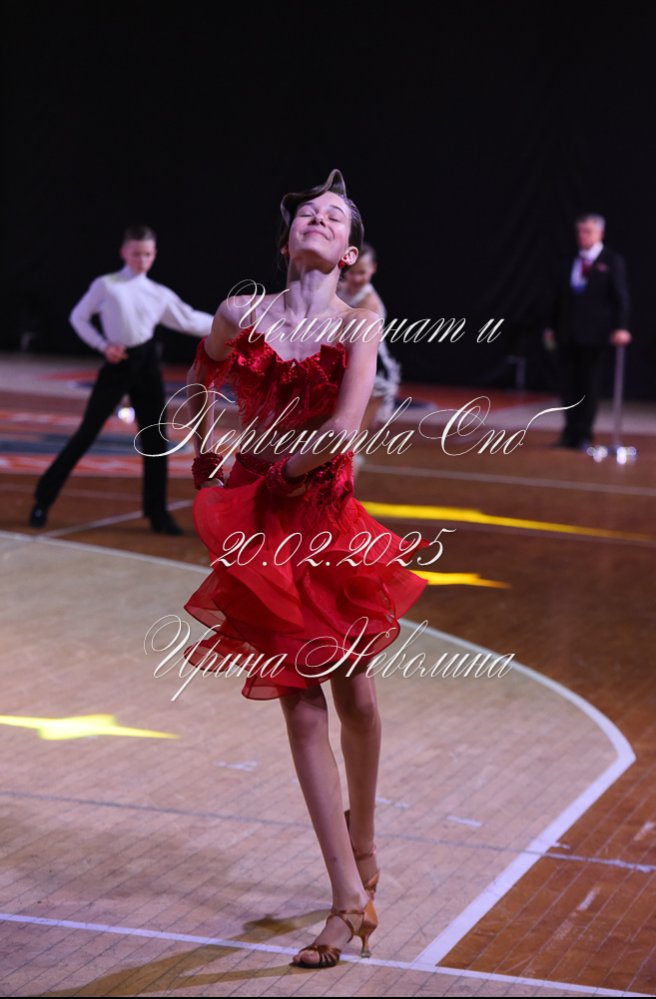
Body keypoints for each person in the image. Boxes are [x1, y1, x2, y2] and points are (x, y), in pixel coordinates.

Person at [183, 169, 429, 968]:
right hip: (264, 527)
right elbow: (201, 374)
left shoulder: (359, 324)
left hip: (324, 517)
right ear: (287, 240)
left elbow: (345, 427)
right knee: (299, 705)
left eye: (335, 217)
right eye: (309, 213)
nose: (319, 219)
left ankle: (365, 842)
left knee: (356, 695)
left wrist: (282, 472)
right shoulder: (240, 312)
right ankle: (346, 897)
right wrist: (205, 441)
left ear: (349, 250)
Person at [29, 224, 214, 534]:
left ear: (154, 255)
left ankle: (157, 514)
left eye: (148, 254)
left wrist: (232, 321)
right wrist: (103, 345)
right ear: (124, 253)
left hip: (147, 365)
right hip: (118, 365)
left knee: (155, 440)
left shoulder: (158, 294)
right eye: (137, 253)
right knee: (86, 433)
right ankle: (42, 501)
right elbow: (78, 317)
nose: (142, 260)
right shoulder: (107, 285)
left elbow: (190, 319)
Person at [544, 213, 632, 450]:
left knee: (589, 385)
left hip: (595, 336)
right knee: (568, 385)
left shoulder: (611, 261)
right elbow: (558, 298)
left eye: (588, 231)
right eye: (580, 232)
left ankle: (584, 432)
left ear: (600, 234)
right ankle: (569, 432)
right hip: (568, 333)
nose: (582, 236)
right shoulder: (569, 261)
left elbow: (620, 297)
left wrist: (621, 327)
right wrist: (551, 326)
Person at [337, 242, 402, 429]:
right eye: (352, 272)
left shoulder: (369, 302)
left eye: (362, 272)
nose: (356, 278)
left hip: (373, 368)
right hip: (348, 361)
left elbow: (347, 339)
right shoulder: (340, 289)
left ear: (373, 268)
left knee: (353, 430)